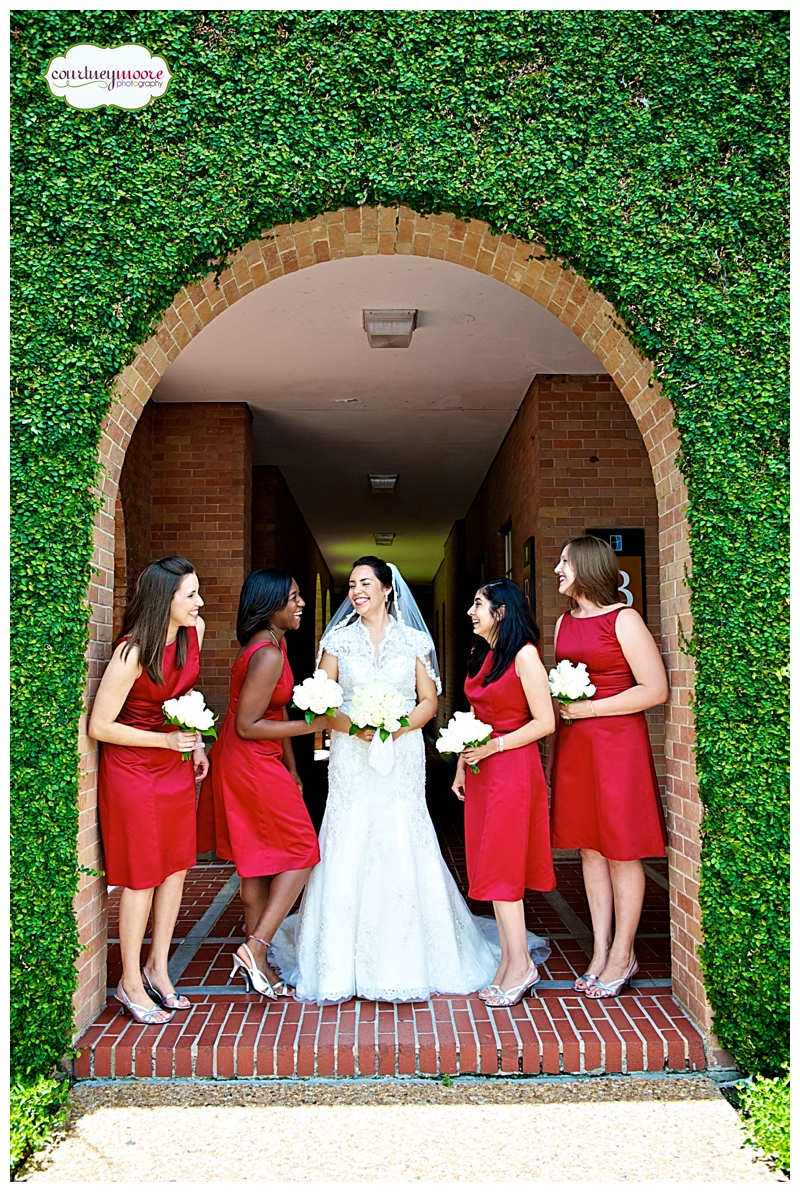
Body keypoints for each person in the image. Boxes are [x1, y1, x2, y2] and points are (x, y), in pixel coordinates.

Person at [269, 556, 549, 1003]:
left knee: (403, 832)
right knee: (350, 834)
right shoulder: (337, 641)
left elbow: (428, 701)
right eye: (352, 585)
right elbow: (321, 700)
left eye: (365, 583)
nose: (357, 591)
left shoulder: (415, 640)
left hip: (402, 755)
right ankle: (340, 964)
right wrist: (353, 727)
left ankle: (412, 956)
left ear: (387, 589)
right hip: (352, 755)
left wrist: (398, 727)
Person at [89, 557, 209, 1025]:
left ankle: (158, 968)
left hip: (173, 762)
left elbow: (183, 697)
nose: (199, 603)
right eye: (191, 595)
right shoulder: (130, 653)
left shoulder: (193, 632)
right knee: (142, 875)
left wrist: (195, 743)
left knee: (176, 867)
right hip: (133, 769)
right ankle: (130, 981)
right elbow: (100, 726)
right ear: (165, 599)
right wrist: (165, 741)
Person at [548, 536, 669, 999]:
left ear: (587, 566)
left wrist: (591, 709)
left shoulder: (625, 619)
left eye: (565, 562)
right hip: (576, 746)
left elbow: (654, 689)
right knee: (589, 848)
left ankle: (623, 953)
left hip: (618, 746)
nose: (558, 569)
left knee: (621, 849)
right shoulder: (563, 623)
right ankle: (599, 950)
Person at [197, 570, 324, 999]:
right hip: (248, 761)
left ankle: (261, 969)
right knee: (303, 851)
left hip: (255, 759)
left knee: (255, 862)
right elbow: (249, 725)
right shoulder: (267, 653)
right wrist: (315, 727)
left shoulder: (275, 643)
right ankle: (255, 948)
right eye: (293, 597)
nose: (301, 603)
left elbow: (277, 708)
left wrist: (293, 767)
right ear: (269, 605)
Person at [453, 579, 556, 1008]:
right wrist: (462, 764)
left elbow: (545, 722)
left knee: (504, 867)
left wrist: (494, 747)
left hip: (512, 770)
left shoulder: (525, 656)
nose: (471, 612)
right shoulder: (483, 656)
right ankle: (511, 961)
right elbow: (475, 716)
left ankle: (522, 965)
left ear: (502, 611)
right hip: (482, 771)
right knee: (492, 866)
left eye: (478, 604)